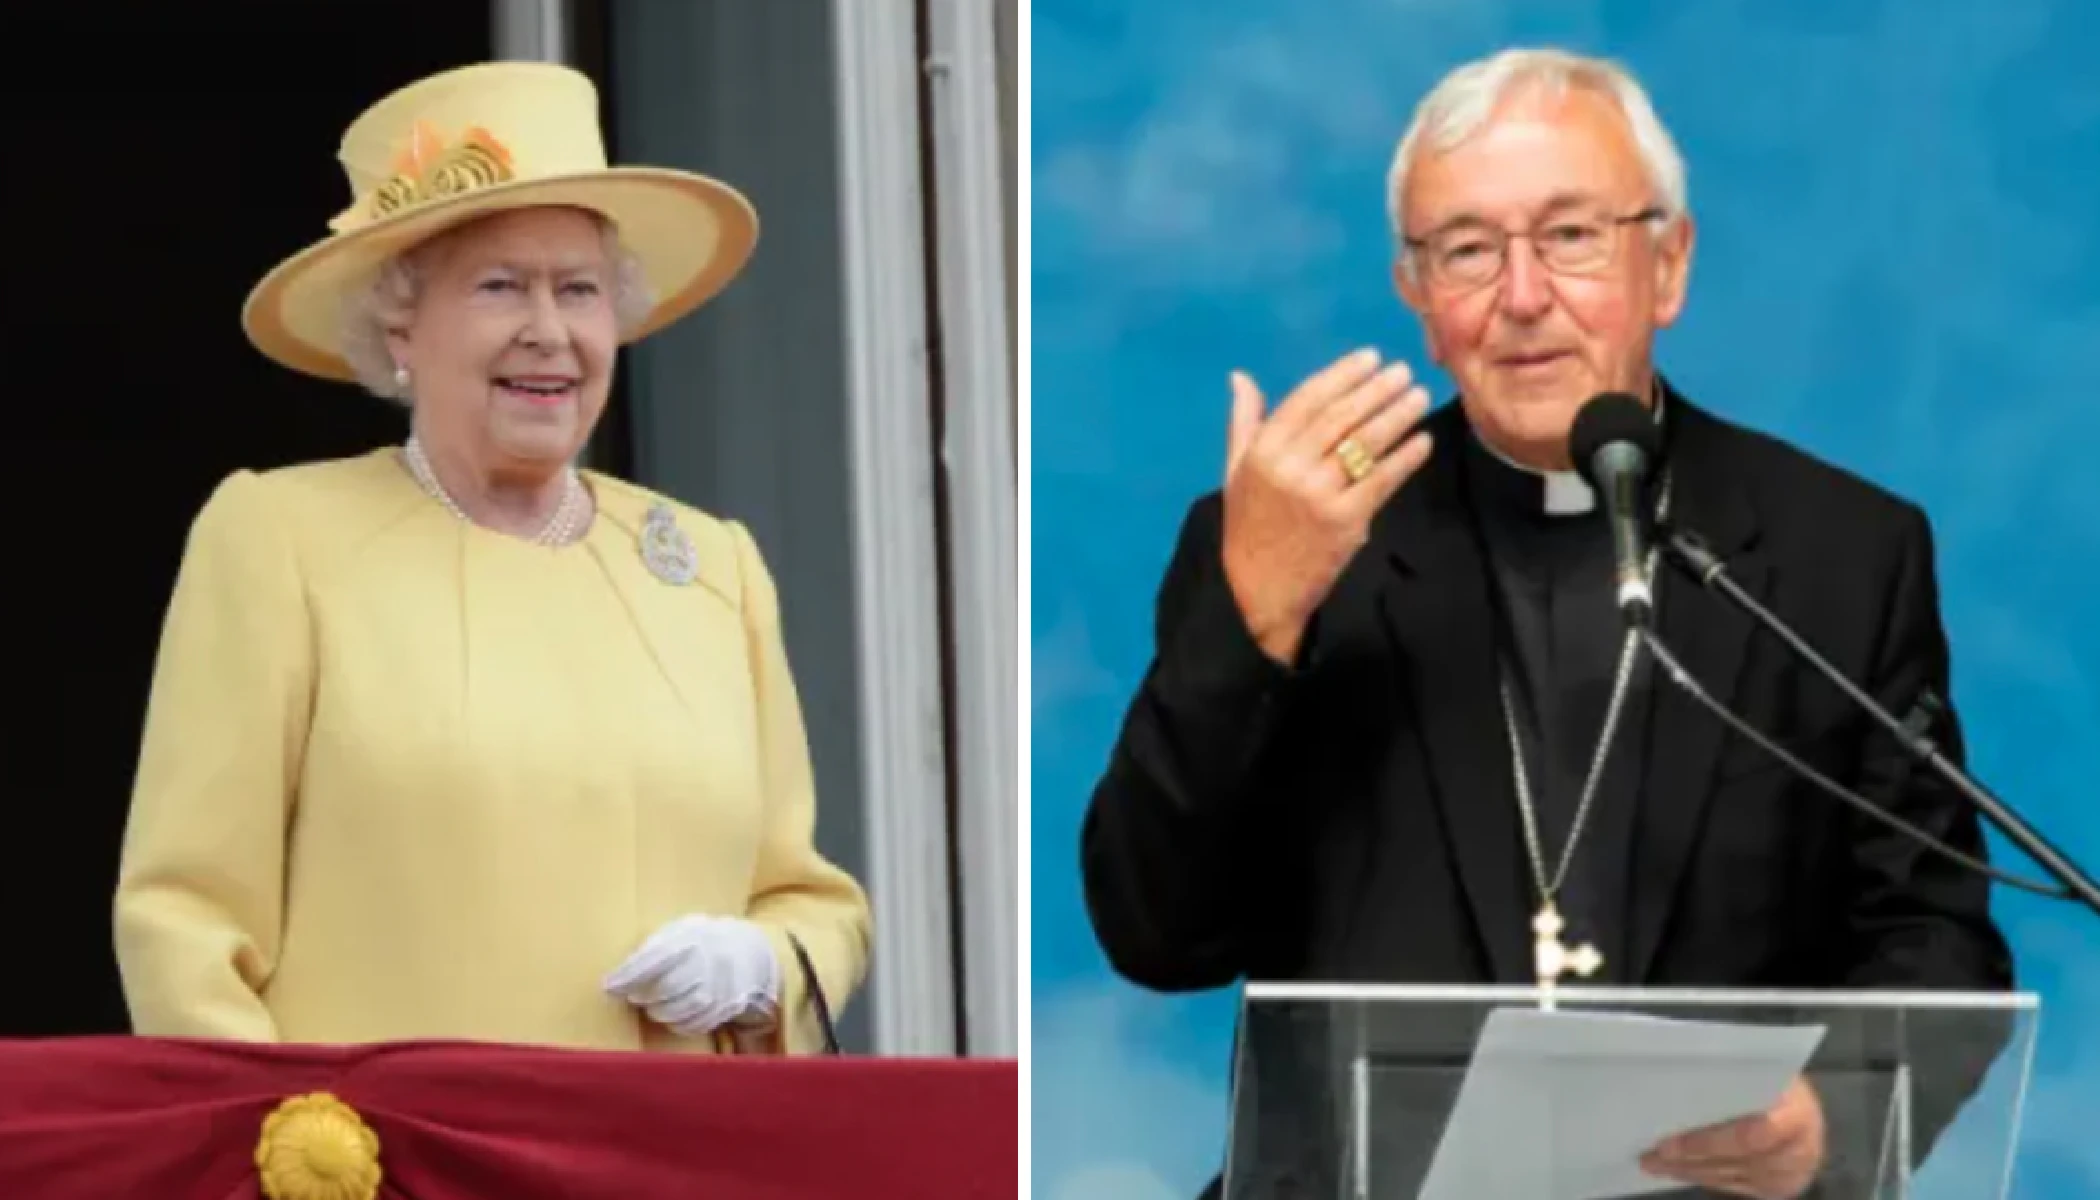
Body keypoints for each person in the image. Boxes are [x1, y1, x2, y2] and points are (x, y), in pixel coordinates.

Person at [1079, 47, 2015, 1199]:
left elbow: (1935, 933)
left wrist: (1832, 1116)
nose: (1522, 297)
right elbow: (1156, 936)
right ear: (1419, 298)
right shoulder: (1285, 544)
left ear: (1668, 265)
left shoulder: (1841, 554)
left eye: (1571, 236)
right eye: (1468, 250)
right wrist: (1253, 620)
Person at [112, 62, 871, 1056]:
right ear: (400, 324)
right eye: (500, 286)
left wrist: (763, 967)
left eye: (580, 290)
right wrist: (286, 1134)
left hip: (675, 1137)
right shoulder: (280, 540)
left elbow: (811, 900)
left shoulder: (711, 569)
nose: (548, 332)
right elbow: (187, 922)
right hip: (393, 1142)